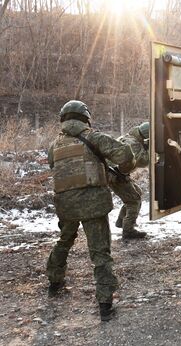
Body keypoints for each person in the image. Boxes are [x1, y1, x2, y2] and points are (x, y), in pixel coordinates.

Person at [46, 100, 135, 321]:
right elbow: (126, 155)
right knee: (100, 253)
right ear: (86, 118)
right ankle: (105, 304)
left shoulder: (54, 145)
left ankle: (54, 281)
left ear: (63, 120)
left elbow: (54, 167)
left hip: (66, 204)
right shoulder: (94, 137)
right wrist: (121, 172)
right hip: (93, 205)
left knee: (64, 241)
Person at [111, 122, 149, 239]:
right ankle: (128, 231)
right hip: (116, 175)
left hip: (114, 172)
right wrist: (148, 149)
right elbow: (144, 162)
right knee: (134, 200)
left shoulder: (128, 137)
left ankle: (122, 221)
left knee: (136, 193)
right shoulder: (135, 144)